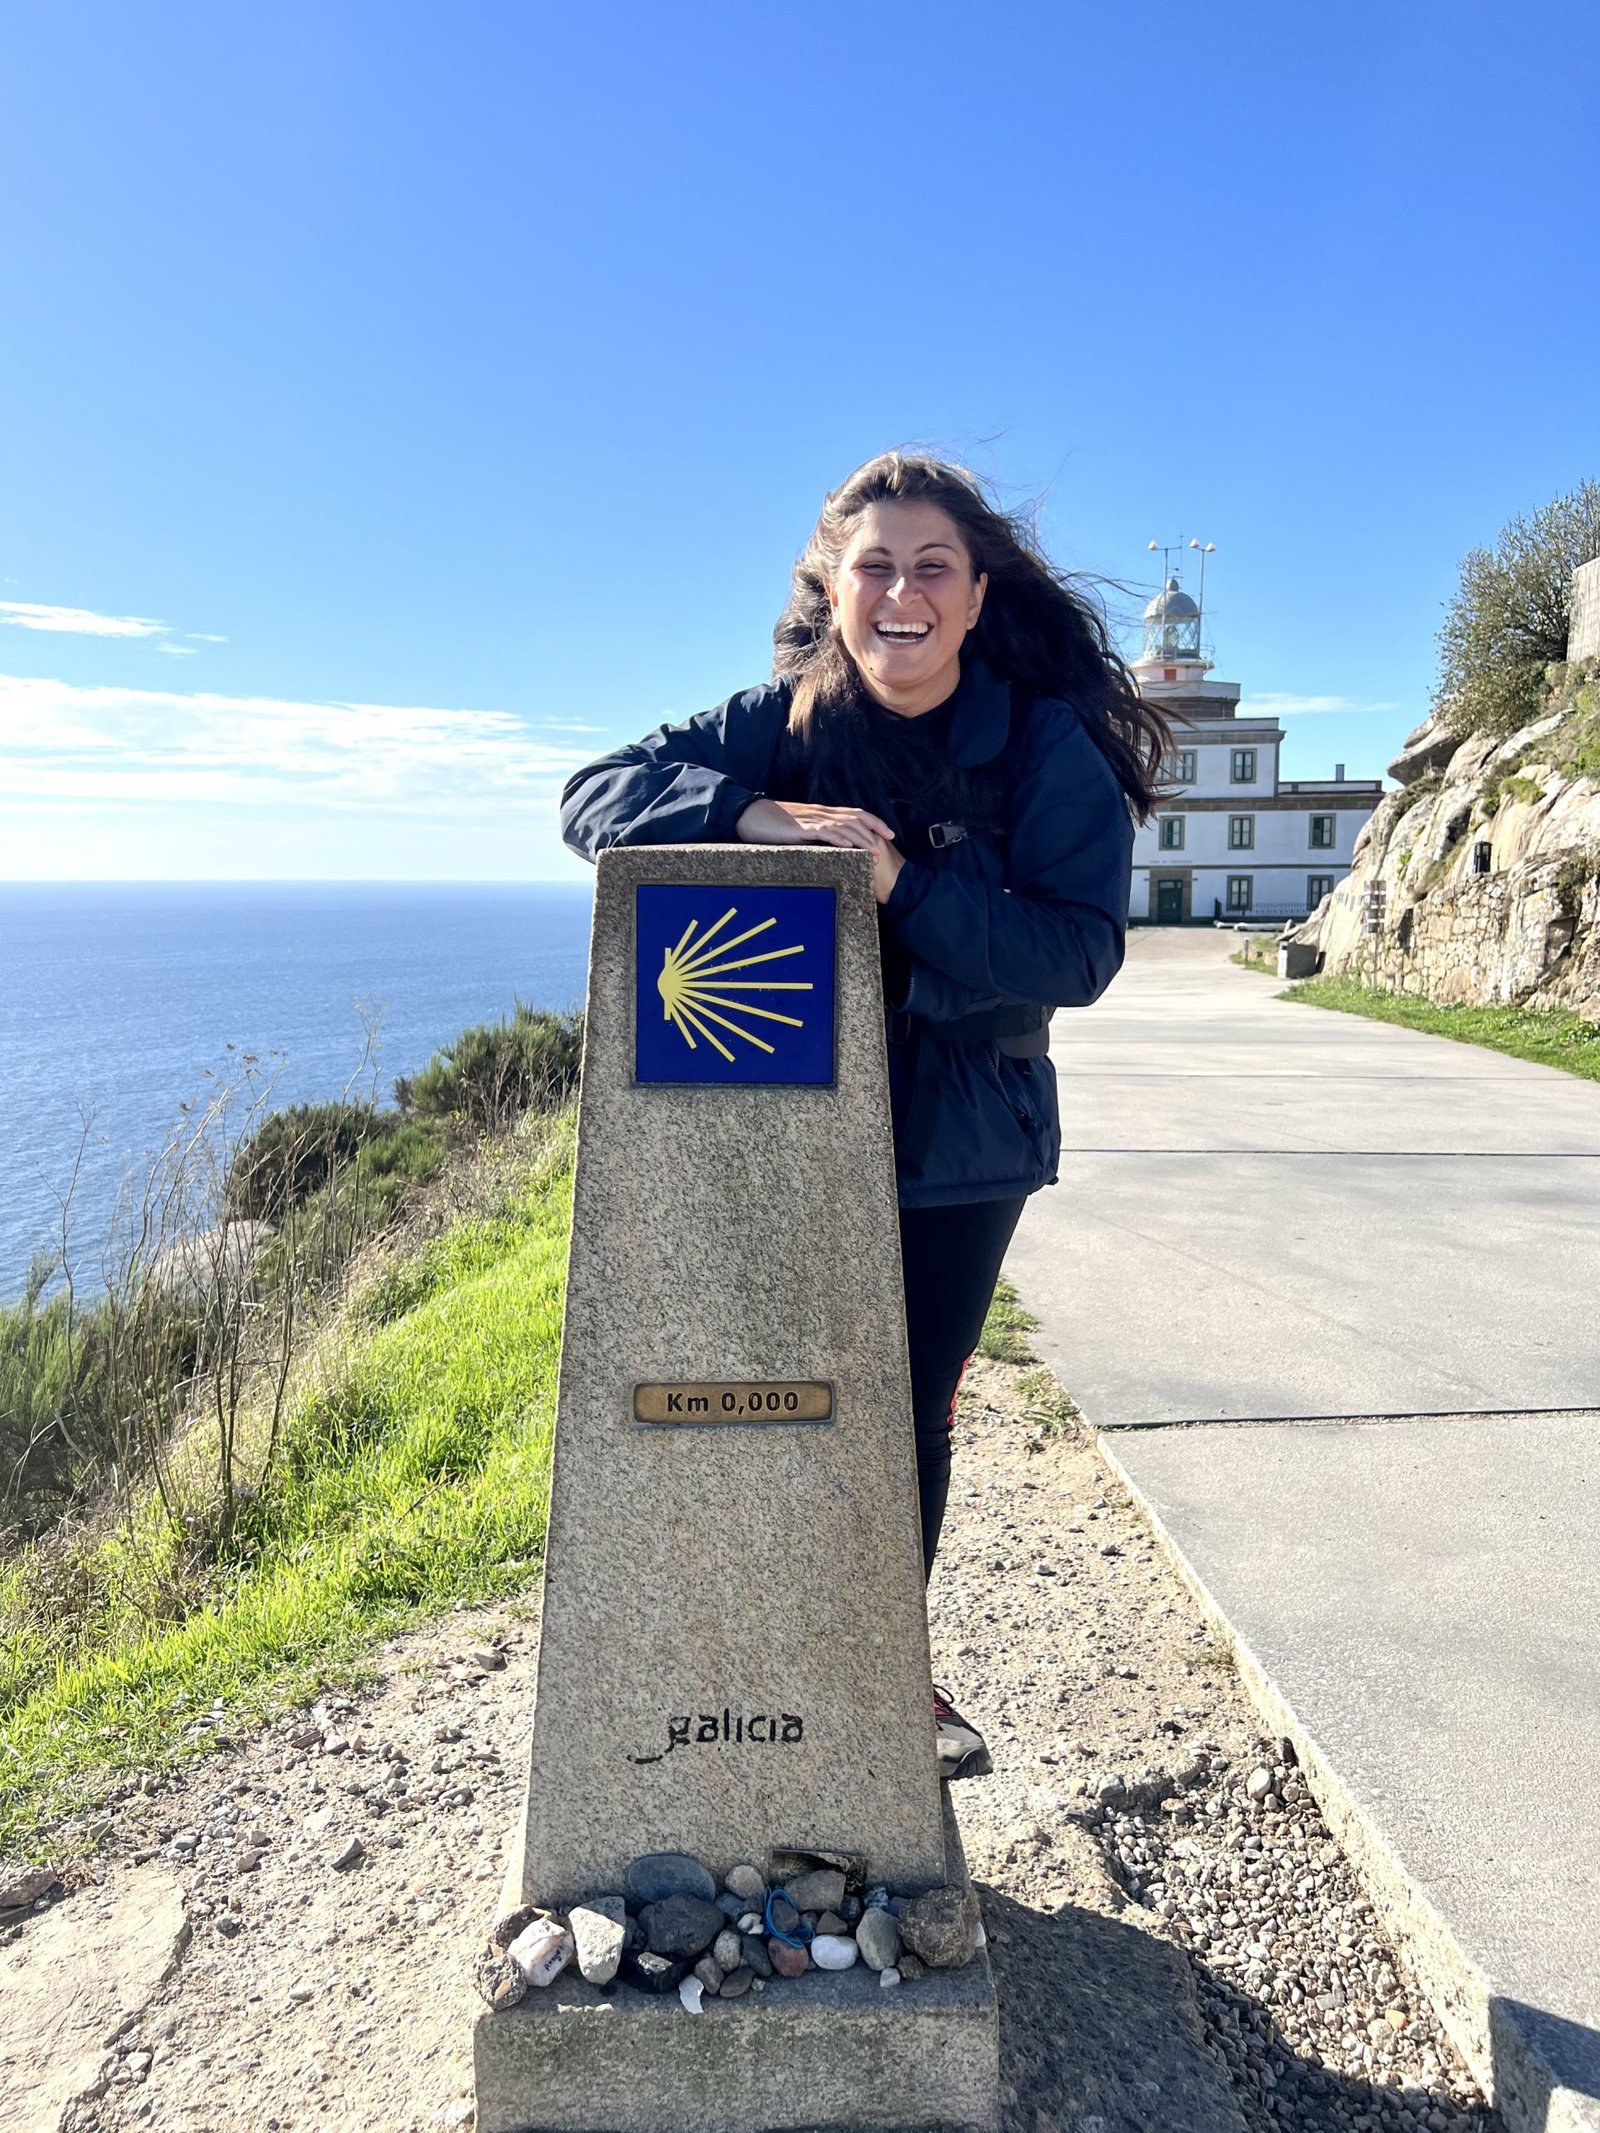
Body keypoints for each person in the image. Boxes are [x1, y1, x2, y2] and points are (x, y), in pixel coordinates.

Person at [560, 451, 1170, 1781]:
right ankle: (744, 1672)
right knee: (761, 1398)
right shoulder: (778, 721)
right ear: (831, 589)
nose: (903, 593)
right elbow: (593, 796)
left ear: (975, 593)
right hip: (775, 1128)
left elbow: (1075, 954)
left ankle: (886, 1676)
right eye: (875, 567)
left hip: (963, 1143)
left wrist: (898, 883)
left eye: (932, 567)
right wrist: (754, 810)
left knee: (906, 1412)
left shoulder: (1039, 743)